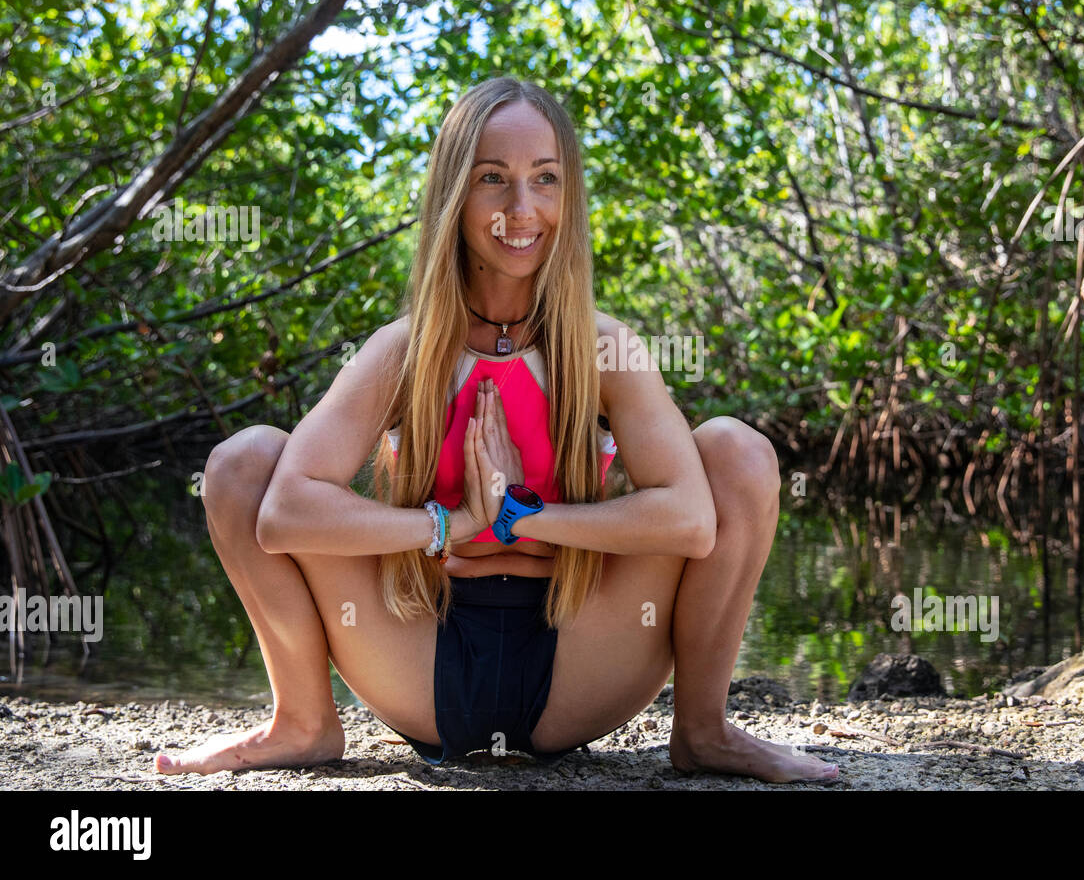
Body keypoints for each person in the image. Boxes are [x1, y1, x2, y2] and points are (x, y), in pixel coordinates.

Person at [155, 77, 838, 783]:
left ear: (566, 195)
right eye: (493, 179)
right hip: (417, 662)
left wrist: (525, 518)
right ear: (455, 193)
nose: (522, 208)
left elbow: (692, 521)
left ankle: (704, 730)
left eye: (545, 179)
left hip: (583, 664)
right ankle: (300, 720)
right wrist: (447, 524)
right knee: (243, 463)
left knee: (738, 454)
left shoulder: (605, 348)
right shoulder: (404, 351)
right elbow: (283, 514)